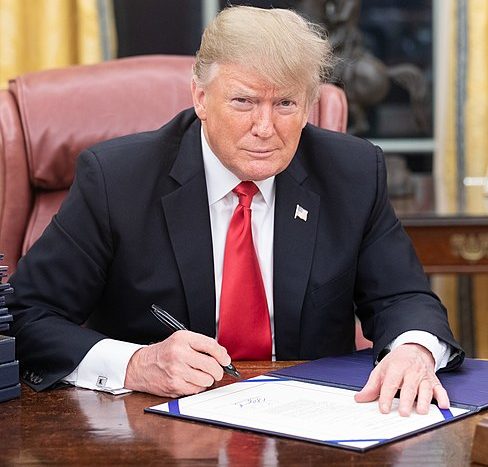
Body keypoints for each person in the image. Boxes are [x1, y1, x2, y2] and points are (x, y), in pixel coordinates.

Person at [8, 6, 463, 416]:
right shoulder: (117, 179)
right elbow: (28, 314)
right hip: (157, 430)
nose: (265, 128)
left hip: (311, 429)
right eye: (244, 101)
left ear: (309, 107)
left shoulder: (353, 172)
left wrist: (413, 351)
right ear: (201, 98)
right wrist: (134, 364)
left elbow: (402, 298)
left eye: (285, 103)